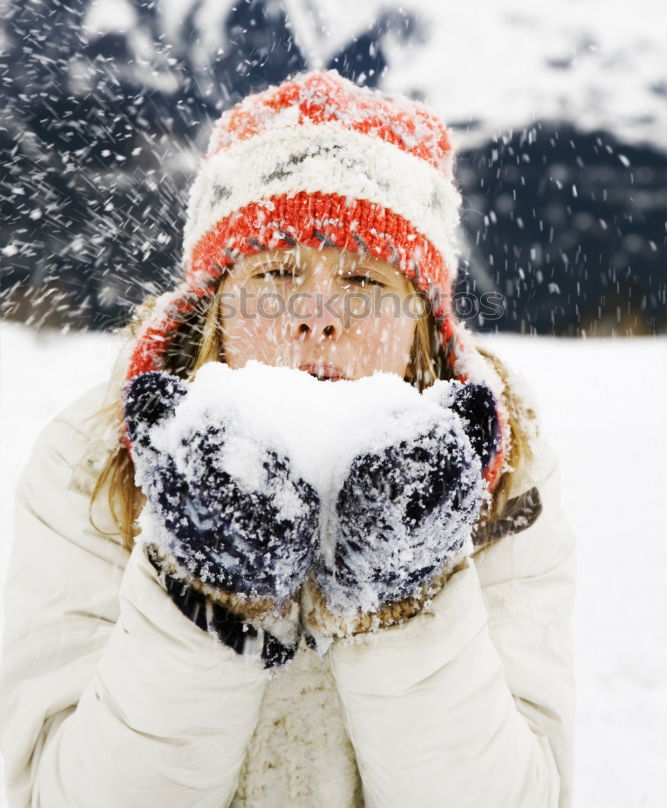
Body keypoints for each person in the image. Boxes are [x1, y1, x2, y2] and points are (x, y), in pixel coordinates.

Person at [0, 69, 575, 807]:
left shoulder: (503, 475)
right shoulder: (91, 460)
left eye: (365, 282)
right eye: (275, 272)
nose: (316, 317)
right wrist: (201, 599)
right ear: (215, 309)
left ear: (420, 328)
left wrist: (402, 599)